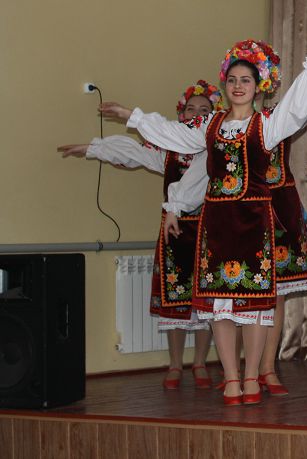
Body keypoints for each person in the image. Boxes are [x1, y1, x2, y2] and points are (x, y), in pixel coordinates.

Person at [100, 17, 307, 406]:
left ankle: (252, 377)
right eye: (232, 80)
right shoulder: (210, 126)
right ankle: (231, 378)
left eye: (246, 80)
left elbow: (299, 104)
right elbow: (177, 141)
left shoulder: (267, 125)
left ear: (258, 85)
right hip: (217, 225)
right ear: (225, 85)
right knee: (220, 305)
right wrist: (133, 116)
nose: (238, 85)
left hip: (254, 224)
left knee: (256, 306)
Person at [58, 80, 222, 390]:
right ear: (181, 114)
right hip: (175, 232)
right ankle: (176, 365)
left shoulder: (218, 151)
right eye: (191, 109)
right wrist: (92, 149)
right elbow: (133, 152)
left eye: (204, 110)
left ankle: (200, 363)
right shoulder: (168, 151)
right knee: (175, 297)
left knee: (207, 301)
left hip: (210, 231)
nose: (196, 114)